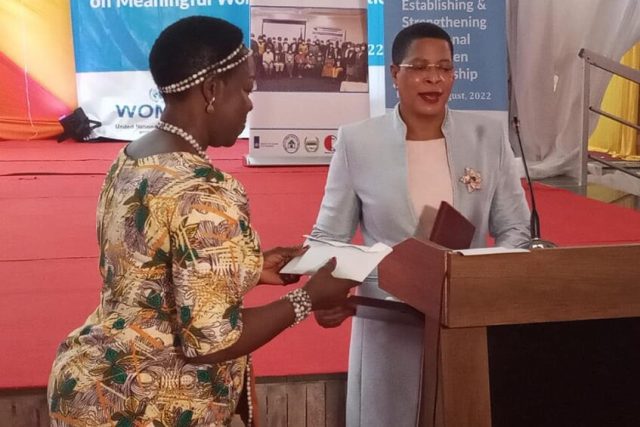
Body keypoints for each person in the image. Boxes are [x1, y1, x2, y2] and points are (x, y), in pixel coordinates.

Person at [47, 16, 358, 427]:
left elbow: (148, 269)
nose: (249, 103)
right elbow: (212, 342)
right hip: (146, 404)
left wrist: (248, 267)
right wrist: (308, 298)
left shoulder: (134, 156)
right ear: (212, 90)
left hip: (92, 383)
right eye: (245, 89)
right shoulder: (206, 189)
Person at [310, 23, 530, 426]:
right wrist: (327, 292)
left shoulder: (487, 136)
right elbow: (329, 237)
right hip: (389, 319)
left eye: (445, 68)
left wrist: (483, 279)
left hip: (466, 318)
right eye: (421, 67)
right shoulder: (358, 141)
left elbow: (516, 228)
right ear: (395, 73)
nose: (434, 78)